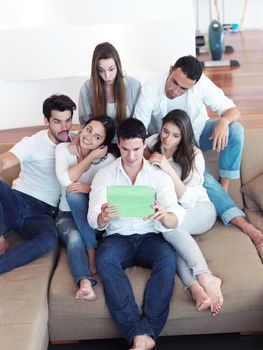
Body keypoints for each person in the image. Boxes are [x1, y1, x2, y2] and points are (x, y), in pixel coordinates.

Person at [134, 55, 263, 249]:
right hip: (173, 144)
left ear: (193, 85)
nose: (175, 91)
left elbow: (233, 111)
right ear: (170, 70)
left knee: (235, 129)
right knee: (205, 180)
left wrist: (223, 122)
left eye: (183, 88)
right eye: (174, 82)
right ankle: (242, 223)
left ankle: (225, 185)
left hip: (199, 135)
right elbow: (138, 131)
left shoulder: (201, 84)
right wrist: (155, 158)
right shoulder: (151, 88)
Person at [88, 118, 186, 350]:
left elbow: (176, 215)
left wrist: (164, 215)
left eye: (136, 149)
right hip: (117, 238)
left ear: (144, 144)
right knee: (105, 259)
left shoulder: (158, 175)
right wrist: (102, 217)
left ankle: (145, 332)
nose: (131, 156)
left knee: (167, 258)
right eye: (124, 149)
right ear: (118, 145)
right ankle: (140, 334)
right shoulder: (105, 175)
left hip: (149, 237)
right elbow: (93, 216)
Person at [145, 109, 223, 315]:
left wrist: (167, 168)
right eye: (165, 131)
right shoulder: (153, 142)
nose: (167, 138)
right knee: (167, 237)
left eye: (175, 135)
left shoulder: (194, 155)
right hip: (174, 213)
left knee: (168, 228)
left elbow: (187, 200)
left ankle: (204, 275)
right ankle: (195, 287)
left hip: (200, 210)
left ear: (184, 136)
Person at [0, 94, 76, 273]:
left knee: (50, 240)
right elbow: (4, 162)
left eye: (68, 120)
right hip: (16, 200)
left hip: (42, 213)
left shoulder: (76, 141)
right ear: (46, 120)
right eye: (57, 122)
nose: (64, 128)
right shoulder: (33, 143)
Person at [55, 115, 115, 301]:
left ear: (104, 142)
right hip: (66, 216)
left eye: (98, 137)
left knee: (75, 192)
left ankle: (90, 247)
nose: (89, 137)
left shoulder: (109, 159)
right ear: (83, 127)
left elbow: (113, 191)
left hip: (94, 218)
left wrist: (87, 188)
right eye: (89, 129)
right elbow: (65, 180)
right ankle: (85, 282)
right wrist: (90, 157)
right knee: (74, 237)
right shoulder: (63, 149)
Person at [78, 42, 141, 146]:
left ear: (118, 66)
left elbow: (139, 123)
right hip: (99, 145)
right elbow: (85, 124)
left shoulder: (133, 86)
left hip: (128, 143)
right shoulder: (87, 88)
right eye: (101, 71)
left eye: (111, 69)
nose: (107, 76)